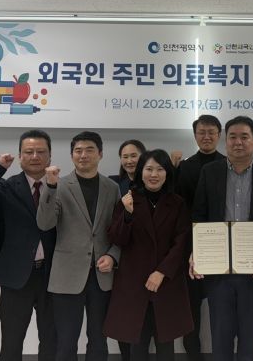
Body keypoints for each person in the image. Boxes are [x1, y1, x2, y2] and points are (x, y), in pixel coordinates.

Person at [191, 115, 253, 361]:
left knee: (249, 335)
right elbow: (199, 215)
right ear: (225, 141)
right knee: (220, 335)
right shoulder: (209, 172)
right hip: (218, 269)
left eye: (244, 137)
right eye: (232, 137)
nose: (238, 142)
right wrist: (196, 252)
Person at [0, 129, 57, 361]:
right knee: (11, 342)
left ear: (50, 155)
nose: (35, 156)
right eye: (28, 152)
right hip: (16, 277)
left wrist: (53, 185)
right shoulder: (7, 186)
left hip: (52, 276)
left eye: (41, 151)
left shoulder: (59, 186)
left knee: (51, 341)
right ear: (20, 156)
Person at [36, 131, 121, 361]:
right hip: (67, 276)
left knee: (99, 341)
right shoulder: (59, 185)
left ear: (100, 154)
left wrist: (113, 256)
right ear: (72, 155)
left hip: (101, 276)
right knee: (65, 342)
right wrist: (50, 187)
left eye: (89, 150)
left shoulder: (112, 187)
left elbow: (119, 231)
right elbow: (45, 223)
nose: (83, 155)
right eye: (78, 151)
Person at [104, 149, 193, 360]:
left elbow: (181, 242)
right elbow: (117, 239)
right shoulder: (128, 200)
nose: (154, 174)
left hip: (167, 283)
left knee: (166, 345)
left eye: (160, 169)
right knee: (137, 344)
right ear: (140, 172)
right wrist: (127, 214)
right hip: (134, 283)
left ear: (167, 173)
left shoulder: (177, 203)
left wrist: (161, 271)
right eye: (149, 169)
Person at [175, 114, 225, 361]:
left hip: (222, 247)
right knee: (191, 308)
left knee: (222, 307)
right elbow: (179, 208)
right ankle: (193, 355)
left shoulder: (228, 164)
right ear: (195, 135)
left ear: (219, 135)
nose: (206, 137)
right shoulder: (184, 167)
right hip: (191, 248)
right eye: (201, 132)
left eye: (211, 132)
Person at [109, 138, 145, 361]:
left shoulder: (153, 182)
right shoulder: (114, 184)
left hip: (146, 260)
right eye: (125, 156)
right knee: (123, 318)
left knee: (144, 319)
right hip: (120, 260)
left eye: (134, 156)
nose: (130, 160)